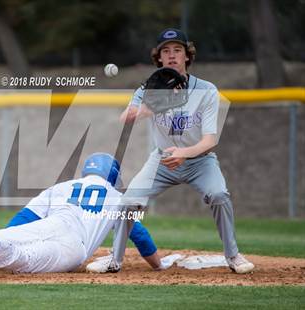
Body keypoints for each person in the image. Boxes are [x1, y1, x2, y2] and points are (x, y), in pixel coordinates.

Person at [100, 28, 254, 274]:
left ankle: (233, 256)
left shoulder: (206, 90)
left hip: (200, 161)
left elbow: (209, 141)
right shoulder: (149, 88)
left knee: (219, 195)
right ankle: (114, 259)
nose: (172, 55)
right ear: (159, 58)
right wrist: (150, 105)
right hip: (161, 161)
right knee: (129, 202)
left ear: (187, 56)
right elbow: (126, 118)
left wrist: (185, 153)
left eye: (177, 50)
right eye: (166, 51)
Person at [0, 153, 168, 273]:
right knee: (24, 260)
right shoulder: (119, 197)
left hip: (52, 223)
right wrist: (157, 265)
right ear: (113, 176)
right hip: (74, 246)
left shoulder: (61, 187)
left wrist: (11, 234)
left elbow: (23, 220)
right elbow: (139, 236)